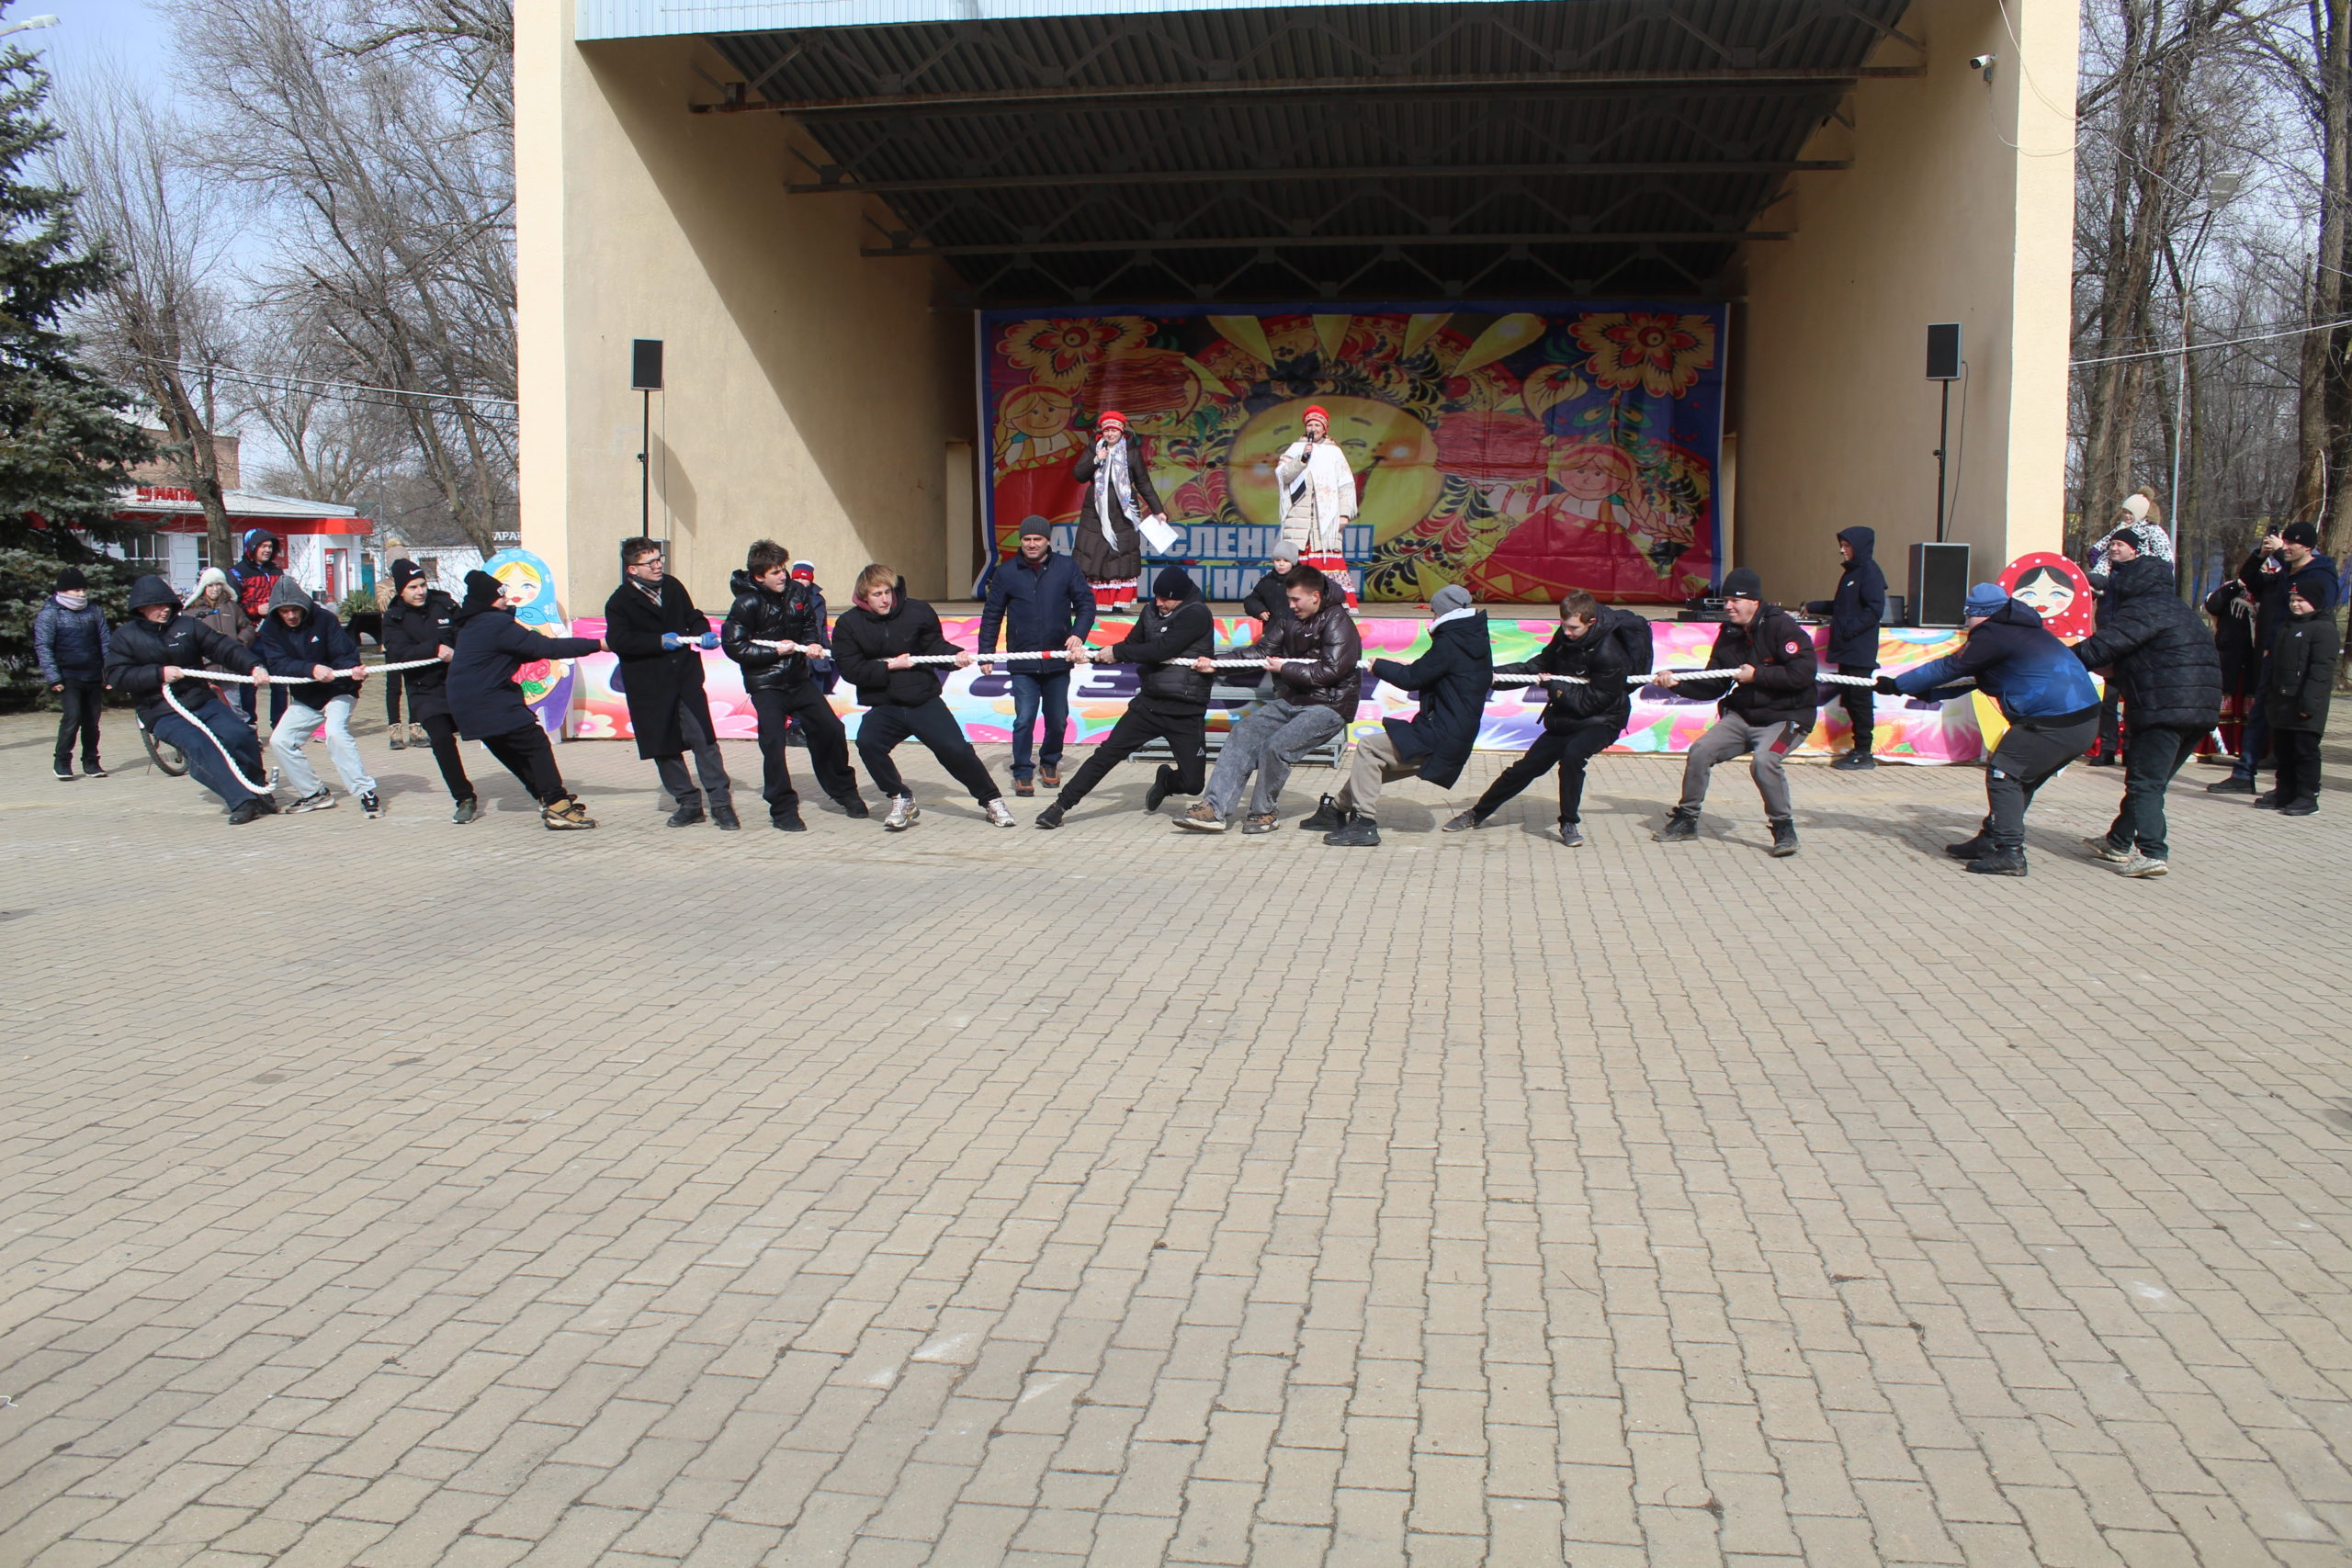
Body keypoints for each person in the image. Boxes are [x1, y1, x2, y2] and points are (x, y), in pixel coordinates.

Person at [1885, 582, 2100, 875]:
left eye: (1968, 615)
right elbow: (1977, 679)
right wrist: (1924, 692)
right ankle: (1991, 839)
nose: (1966, 622)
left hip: (2053, 723)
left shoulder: (1993, 634)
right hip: (2082, 721)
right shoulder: (2020, 630)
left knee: (2005, 774)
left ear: (1981, 614)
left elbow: (1950, 667)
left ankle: (2010, 854)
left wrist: (1898, 684)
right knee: (2020, 780)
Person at [2071, 525, 2223, 877]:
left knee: (2144, 783)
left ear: (2131, 584)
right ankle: (2118, 841)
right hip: (2200, 711)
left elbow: (2100, 649)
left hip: (2162, 710)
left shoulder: (2143, 610)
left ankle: (2152, 852)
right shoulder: (2180, 611)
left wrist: (2050, 657)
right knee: (2153, 781)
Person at [1445, 592, 1647, 845]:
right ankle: (1477, 813)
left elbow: (1592, 702)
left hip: (1602, 720)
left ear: (1591, 622)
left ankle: (1569, 822)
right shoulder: (1564, 638)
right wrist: (1490, 677)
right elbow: (1536, 667)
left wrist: (1555, 687)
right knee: (1525, 769)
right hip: (1567, 716)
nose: (1567, 632)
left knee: (1573, 756)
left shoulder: (1610, 654)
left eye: (1573, 628)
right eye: (1563, 625)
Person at [1179, 564, 1362, 833]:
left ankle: (1264, 813)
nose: (1291, 605)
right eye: (1289, 599)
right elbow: (1261, 651)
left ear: (1315, 596)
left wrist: (1285, 669)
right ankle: (1213, 809)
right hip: (1294, 699)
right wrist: (1216, 664)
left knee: (1276, 747)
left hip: (1330, 705)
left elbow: (1332, 671)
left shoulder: (1339, 622)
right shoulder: (1290, 618)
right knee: (1243, 732)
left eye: (1296, 599)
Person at [1305, 583, 1491, 847]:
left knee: (1368, 748)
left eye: (1434, 613)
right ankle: (1335, 810)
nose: (1433, 618)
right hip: (1457, 737)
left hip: (1440, 736)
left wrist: (1379, 665)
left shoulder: (1450, 642)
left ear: (1444, 613)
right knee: (1370, 767)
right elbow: (1434, 671)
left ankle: (1364, 825)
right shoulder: (1474, 638)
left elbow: (1411, 678)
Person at [831, 564, 1015, 830]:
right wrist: (889, 666)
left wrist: (954, 656)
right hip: (885, 704)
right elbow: (851, 669)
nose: (884, 599)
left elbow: (934, 646)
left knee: (956, 751)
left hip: (922, 699)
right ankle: (900, 797)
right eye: (876, 594)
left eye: (887, 592)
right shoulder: (848, 624)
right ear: (863, 597)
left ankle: (991, 800)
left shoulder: (917, 611)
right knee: (868, 743)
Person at [1650, 567, 1817, 857]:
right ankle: (1686, 819)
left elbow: (1803, 674)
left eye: (1735, 600)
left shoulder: (1782, 627)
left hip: (1787, 717)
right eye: (1726, 600)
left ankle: (1783, 829)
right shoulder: (1729, 633)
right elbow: (1714, 684)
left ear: (1754, 601)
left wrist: (1758, 676)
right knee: (1700, 751)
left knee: (1764, 761)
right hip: (1744, 715)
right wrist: (1678, 683)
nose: (1728, 606)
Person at [1036, 566, 1216, 829]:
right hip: (1149, 705)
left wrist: (1117, 652)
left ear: (1180, 597)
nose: (1158, 603)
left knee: (1193, 784)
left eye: (1165, 598)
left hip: (1186, 710)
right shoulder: (1150, 611)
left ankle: (1166, 781)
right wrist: (1093, 655)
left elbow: (1162, 649)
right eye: (1156, 596)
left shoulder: (1197, 613)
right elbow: (1132, 646)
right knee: (1105, 756)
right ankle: (1060, 806)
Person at [103, 574, 275, 823]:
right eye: (158, 606)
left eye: (167, 604)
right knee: (199, 745)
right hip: (160, 710)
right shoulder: (125, 637)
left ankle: (258, 787)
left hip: (200, 699)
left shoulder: (188, 626)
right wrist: (158, 674)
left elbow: (222, 647)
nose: (165, 610)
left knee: (239, 734)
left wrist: (254, 666)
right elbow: (117, 675)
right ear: (141, 608)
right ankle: (241, 800)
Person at [720, 538, 865, 830]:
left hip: (798, 679)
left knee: (831, 729)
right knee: (774, 742)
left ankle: (843, 791)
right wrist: (775, 652)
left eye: (783, 569)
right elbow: (734, 645)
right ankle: (783, 808)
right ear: (759, 576)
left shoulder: (796, 592)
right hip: (766, 685)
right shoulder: (746, 603)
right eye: (775, 572)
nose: (783, 576)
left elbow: (809, 622)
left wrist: (811, 642)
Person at [447, 570, 608, 829]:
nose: (506, 598)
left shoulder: (473, 624)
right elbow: (547, 648)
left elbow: (521, 651)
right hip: (490, 701)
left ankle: (548, 798)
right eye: (500, 594)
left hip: (466, 706)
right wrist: (598, 645)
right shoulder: (495, 623)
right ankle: (557, 806)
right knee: (535, 744)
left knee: (513, 752)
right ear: (488, 599)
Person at [604, 537, 739, 829]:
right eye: (650, 562)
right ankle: (688, 803)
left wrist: (703, 633)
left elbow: (693, 617)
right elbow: (619, 639)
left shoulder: (673, 586)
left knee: (704, 740)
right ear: (632, 569)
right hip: (649, 686)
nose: (658, 566)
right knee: (662, 746)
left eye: (659, 558)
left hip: (684, 679)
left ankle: (721, 803)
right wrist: (657, 642)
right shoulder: (619, 602)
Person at [2211, 520, 2340, 793]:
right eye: (2285, 542)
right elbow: (2250, 579)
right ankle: (2244, 774)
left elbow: (2315, 605)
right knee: (2260, 713)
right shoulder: (2284, 573)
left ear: (2307, 547)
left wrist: (2280, 553)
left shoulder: (2320, 573)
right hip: (2274, 653)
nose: (2287, 547)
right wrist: (2262, 554)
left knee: (2292, 723)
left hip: (2301, 657)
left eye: (2291, 543)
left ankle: (2293, 787)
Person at [978, 522, 1095, 796]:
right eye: (1027, 539)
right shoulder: (1006, 572)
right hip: (1023, 661)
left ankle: (1049, 762)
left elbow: (1086, 605)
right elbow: (992, 614)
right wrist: (986, 653)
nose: (1032, 544)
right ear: (1021, 541)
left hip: (1057, 660)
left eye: (1038, 539)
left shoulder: (1066, 568)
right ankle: (1022, 770)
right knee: (1024, 719)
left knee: (1057, 720)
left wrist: (1078, 634)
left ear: (1047, 541)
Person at [254, 578, 380, 817]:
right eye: (284, 611)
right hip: (307, 697)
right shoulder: (270, 629)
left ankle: (366, 792)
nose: (290, 615)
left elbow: (344, 652)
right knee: (280, 740)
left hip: (339, 690)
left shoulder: (324, 619)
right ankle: (314, 793)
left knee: (335, 733)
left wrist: (353, 670)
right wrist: (311, 669)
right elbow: (278, 664)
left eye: (294, 609)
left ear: (303, 606)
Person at [379, 558, 480, 822]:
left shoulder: (445, 604)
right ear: (401, 590)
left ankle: (541, 789)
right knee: (441, 739)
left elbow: (468, 632)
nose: (420, 591)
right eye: (412, 587)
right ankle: (464, 797)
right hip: (424, 690)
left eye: (422, 585)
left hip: (458, 683)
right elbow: (398, 652)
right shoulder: (393, 617)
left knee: (495, 732)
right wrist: (434, 649)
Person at [1801, 526, 1886, 770]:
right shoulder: (1851, 574)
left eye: (1847, 545)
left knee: (1860, 700)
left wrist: (1849, 630)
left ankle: (1864, 752)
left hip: (1859, 651)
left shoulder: (1869, 571)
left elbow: (1875, 609)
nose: (1842, 550)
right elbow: (1841, 606)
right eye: (1842, 545)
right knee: (1849, 698)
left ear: (1859, 546)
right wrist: (1813, 606)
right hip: (1847, 649)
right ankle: (1857, 748)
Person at [1070, 411, 1166, 611]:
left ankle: (1115, 603)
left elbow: (1143, 483)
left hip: (1123, 510)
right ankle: (1089, 602)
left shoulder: (1131, 453)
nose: (1110, 434)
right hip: (1095, 511)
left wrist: (1158, 510)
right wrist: (1095, 460)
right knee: (1093, 552)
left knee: (1119, 555)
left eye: (1114, 430)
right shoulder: (1094, 448)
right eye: (1107, 430)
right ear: (1102, 432)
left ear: (1121, 432)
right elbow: (1079, 474)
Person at [2259, 582, 2337, 816]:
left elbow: (2321, 671)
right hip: (2282, 701)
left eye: (2301, 600)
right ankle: (2285, 791)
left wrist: (2309, 702)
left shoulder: (2323, 629)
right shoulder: (2287, 626)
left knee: (2305, 750)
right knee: (2283, 750)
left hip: (2305, 703)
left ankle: (2307, 795)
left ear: (2315, 602)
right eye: (2293, 600)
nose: (2295, 605)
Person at [1277, 406, 1358, 605]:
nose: (1313, 428)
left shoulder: (1334, 452)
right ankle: (1297, 604)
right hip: (1299, 516)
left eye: (1317, 425)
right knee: (1298, 561)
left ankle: (1330, 604)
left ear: (1325, 428)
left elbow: (1346, 485)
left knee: (1325, 560)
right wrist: (1302, 459)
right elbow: (1283, 475)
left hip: (1326, 520)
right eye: (1310, 425)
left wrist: (1345, 514)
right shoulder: (1296, 449)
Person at [33, 566, 108, 781]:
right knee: (72, 718)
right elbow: (43, 646)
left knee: (92, 722)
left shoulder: (94, 611)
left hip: (92, 674)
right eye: (76, 590)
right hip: (68, 676)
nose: (81, 594)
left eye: (83, 590)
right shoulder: (50, 614)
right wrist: (53, 677)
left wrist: (109, 673)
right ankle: (62, 761)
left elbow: (105, 641)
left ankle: (91, 761)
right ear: (63, 591)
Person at [227, 529, 288, 728]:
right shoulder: (236, 574)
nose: (267, 550)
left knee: (280, 684)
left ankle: (280, 727)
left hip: (276, 636)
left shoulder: (277, 572)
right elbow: (232, 607)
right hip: (251, 637)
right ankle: (249, 727)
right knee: (248, 685)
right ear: (252, 548)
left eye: (270, 546)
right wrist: (255, 610)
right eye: (263, 546)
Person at [2205, 572, 2258, 763]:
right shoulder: (2229, 590)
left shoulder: (2264, 593)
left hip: (2253, 660)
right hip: (2228, 657)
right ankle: (2211, 748)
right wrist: (2238, 584)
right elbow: (2213, 606)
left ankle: (2245, 749)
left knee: (2249, 705)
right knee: (2222, 700)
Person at [1241, 548, 1299, 628]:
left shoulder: (1303, 581)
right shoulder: (1267, 581)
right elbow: (1251, 600)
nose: (1281, 564)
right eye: (1277, 560)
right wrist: (1259, 610)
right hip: (1271, 630)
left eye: (1286, 561)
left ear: (1293, 563)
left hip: (1297, 629)